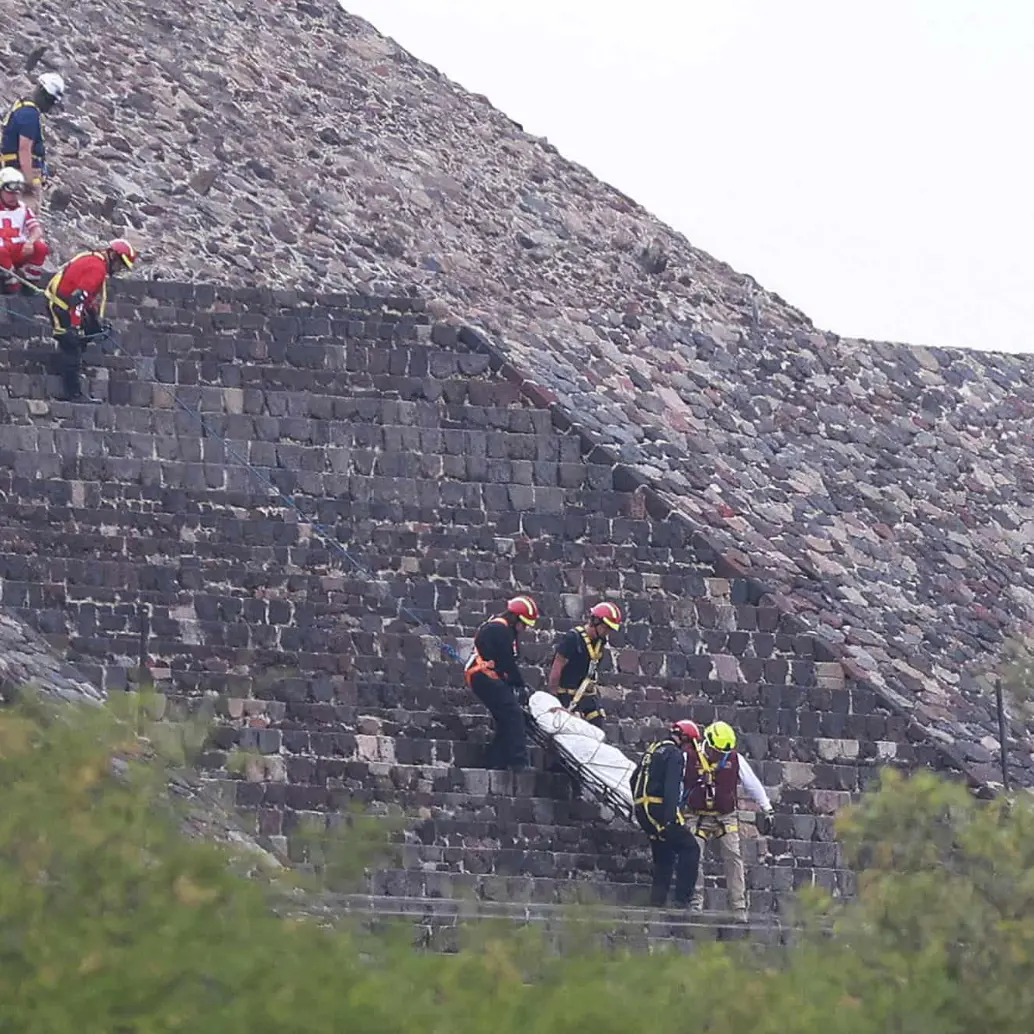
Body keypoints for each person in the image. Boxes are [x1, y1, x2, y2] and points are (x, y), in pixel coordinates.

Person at [682, 720, 774, 924]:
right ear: (709, 743)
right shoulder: (689, 756)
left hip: (725, 815)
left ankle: (739, 908)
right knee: (693, 855)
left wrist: (766, 807)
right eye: (717, 752)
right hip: (696, 815)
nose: (721, 757)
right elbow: (678, 784)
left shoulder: (734, 759)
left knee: (734, 857)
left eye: (724, 753)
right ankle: (695, 902)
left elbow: (752, 784)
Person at [44, 239, 139, 402]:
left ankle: (71, 367)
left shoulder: (94, 259)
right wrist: (74, 326)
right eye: (120, 265)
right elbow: (79, 299)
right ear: (113, 256)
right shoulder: (97, 269)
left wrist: (94, 321)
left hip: (68, 304)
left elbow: (86, 297)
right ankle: (72, 393)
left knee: (86, 333)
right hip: (60, 306)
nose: (118, 270)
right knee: (71, 344)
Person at [630, 720, 703, 908]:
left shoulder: (654, 749)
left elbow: (633, 778)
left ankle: (657, 903)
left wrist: (639, 804)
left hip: (642, 810)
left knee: (665, 856)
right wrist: (670, 819)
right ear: (685, 739)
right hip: (659, 811)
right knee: (690, 848)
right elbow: (671, 787)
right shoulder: (674, 754)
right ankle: (682, 900)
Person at [464, 595, 539, 771]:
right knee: (513, 713)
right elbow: (506, 661)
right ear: (515, 618)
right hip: (483, 676)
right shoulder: (499, 629)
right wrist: (519, 685)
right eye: (524, 623)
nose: (525, 627)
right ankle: (518, 761)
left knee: (506, 717)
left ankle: (495, 760)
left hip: (487, 676)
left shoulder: (504, 630)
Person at [546, 601, 622, 728]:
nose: (608, 632)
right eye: (606, 627)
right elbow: (557, 666)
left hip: (586, 694)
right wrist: (553, 698)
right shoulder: (572, 639)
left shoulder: (600, 642)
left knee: (598, 724)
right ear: (595, 622)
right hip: (566, 694)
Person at [1, 73, 66, 199]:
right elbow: (24, 150)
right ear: (40, 89)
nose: (50, 105)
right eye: (49, 99)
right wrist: (30, 184)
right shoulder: (29, 115)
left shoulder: (24, 108)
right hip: (19, 174)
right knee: (25, 213)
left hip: (16, 173)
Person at [0, 168, 49, 293]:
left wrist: (30, 242)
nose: (14, 196)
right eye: (10, 193)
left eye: (17, 193)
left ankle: (30, 283)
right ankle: (11, 284)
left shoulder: (23, 208)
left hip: (18, 249)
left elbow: (36, 229)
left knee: (41, 247)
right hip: (2, 253)